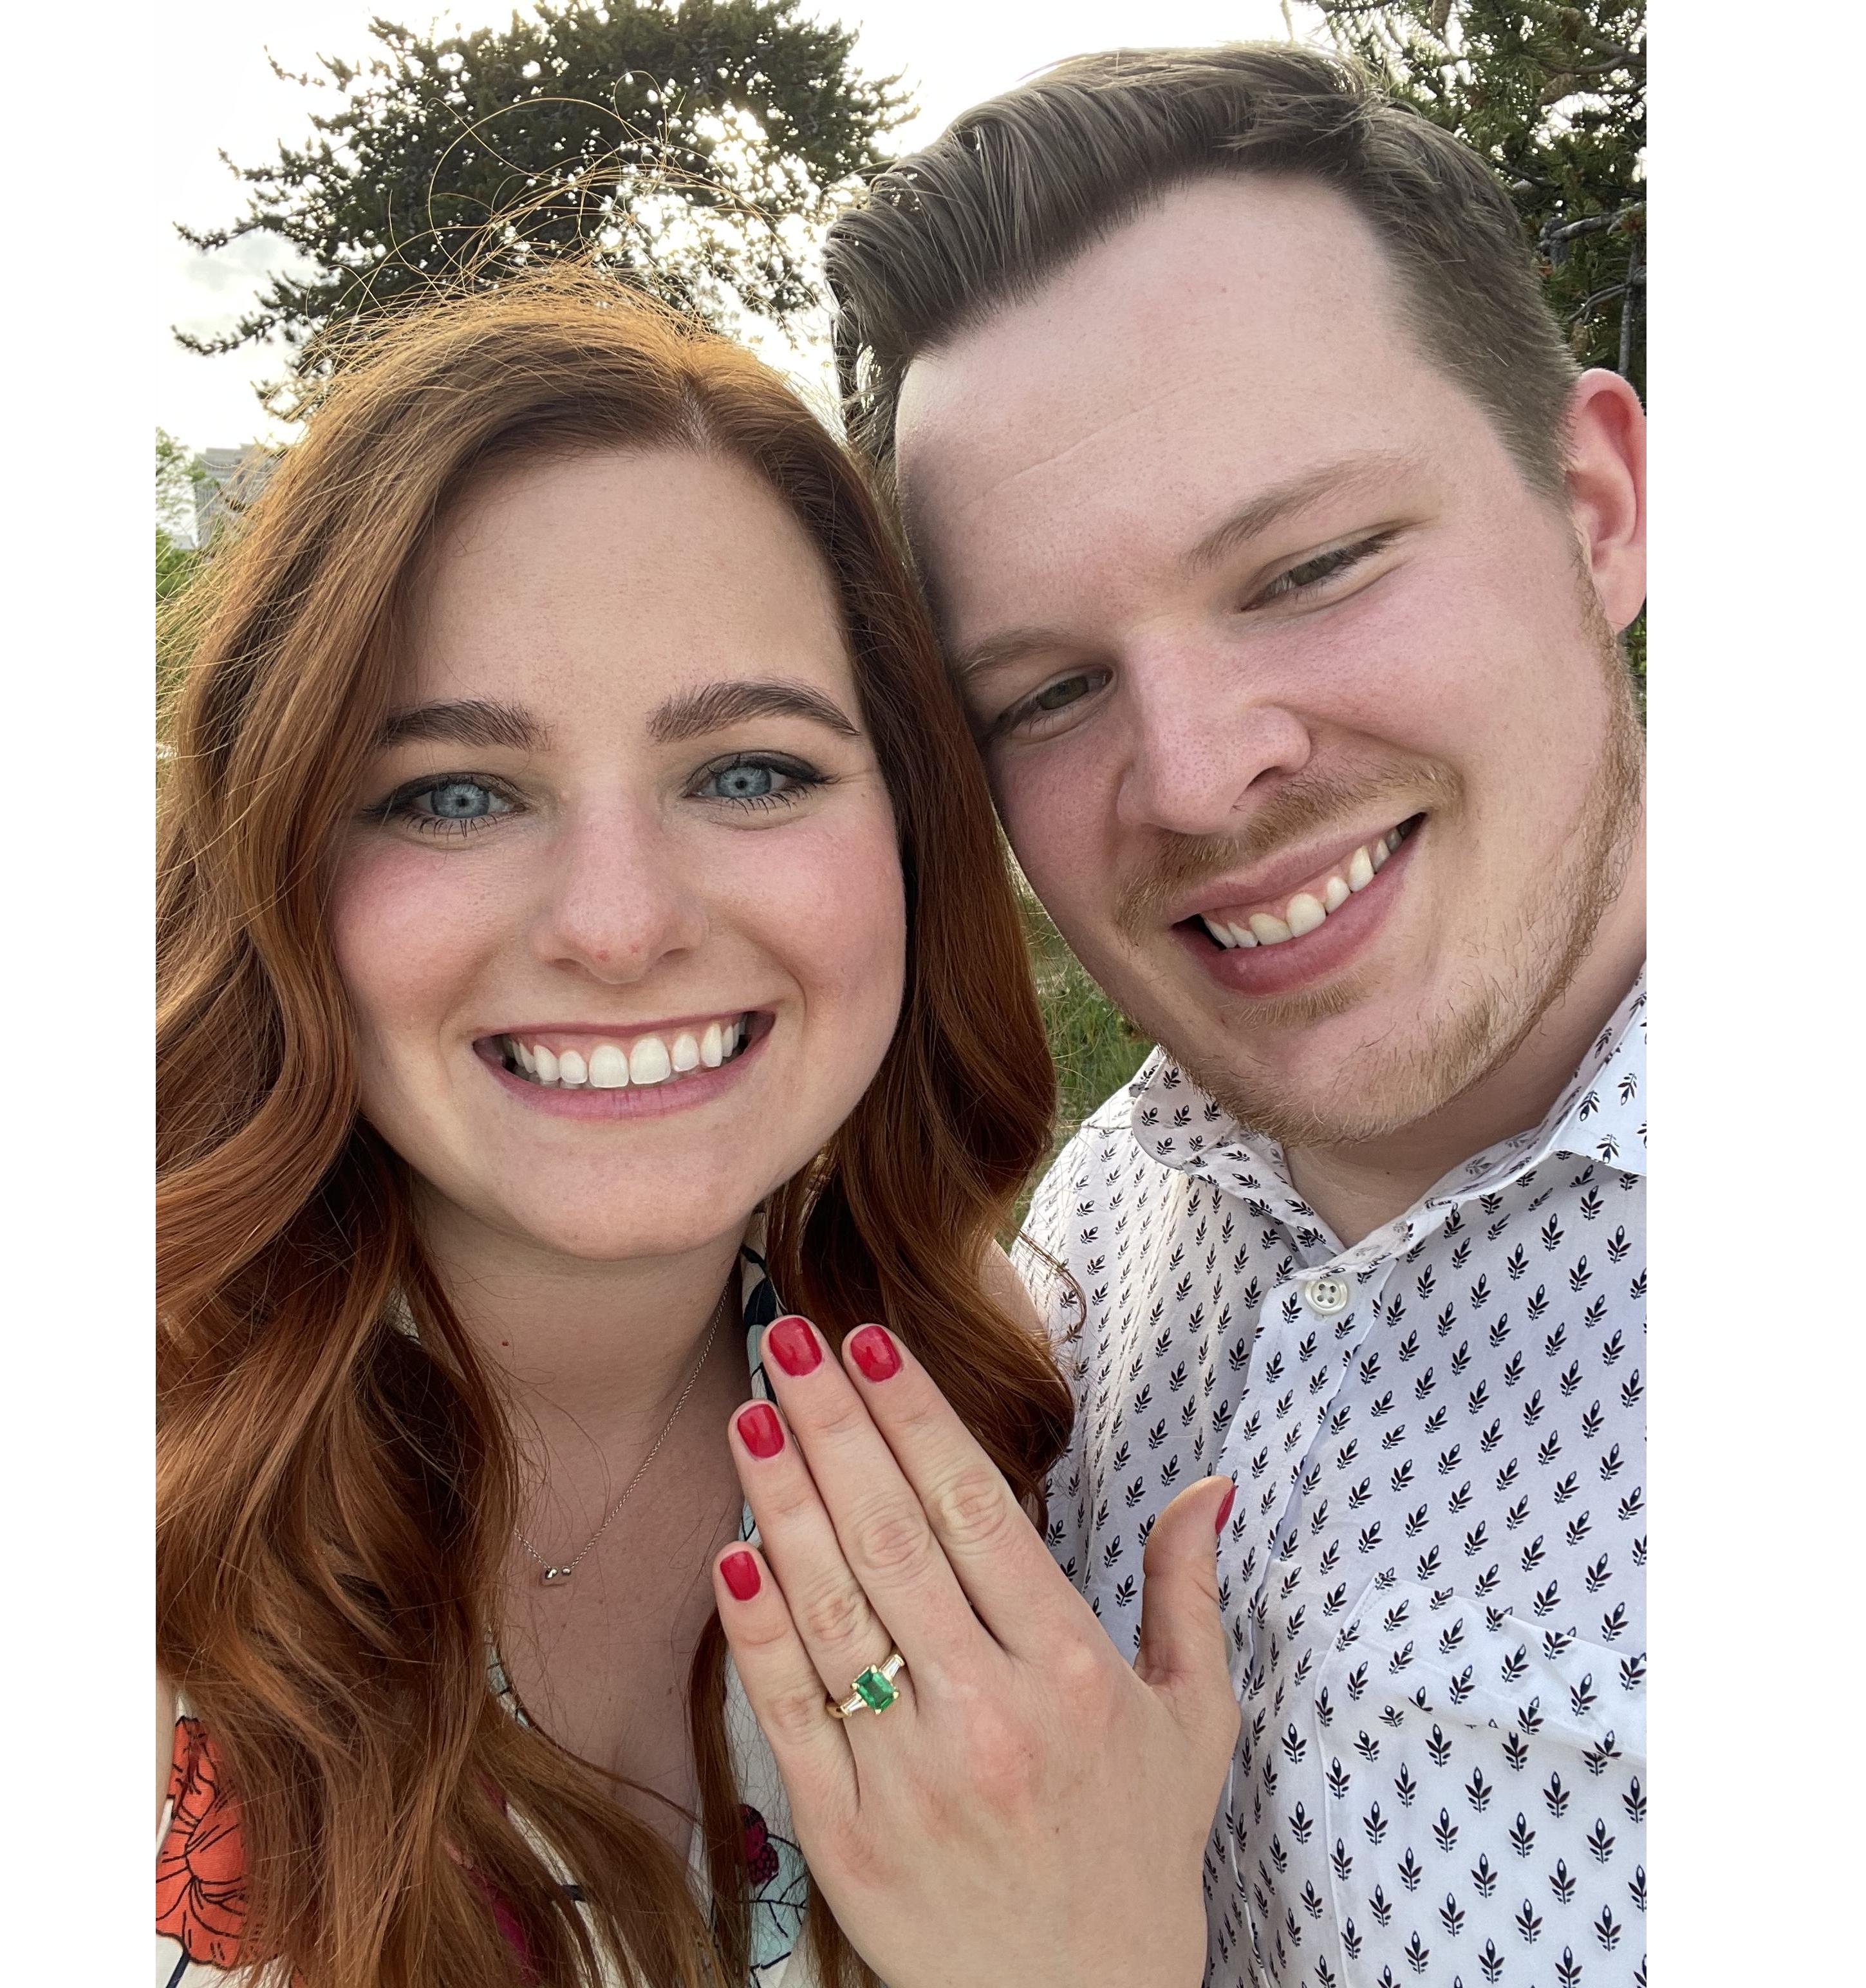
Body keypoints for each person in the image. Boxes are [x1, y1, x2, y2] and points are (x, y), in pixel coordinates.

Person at [154, 266, 1240, 1988]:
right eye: (453, 791)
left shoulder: (1006, 1442)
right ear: (277, 845)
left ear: (909, 835)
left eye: (748, 769)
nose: (618, 923)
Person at [823, 42, 1647, 1988]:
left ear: (1601, 507)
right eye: (1042, 692)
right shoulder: (1104, 1227)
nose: (1194, 779)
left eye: (1312, 567)